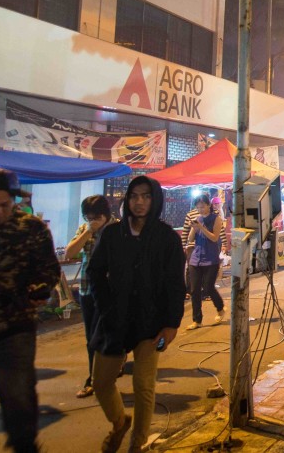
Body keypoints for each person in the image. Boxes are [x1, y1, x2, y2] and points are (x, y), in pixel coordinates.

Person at [87, 176, 184, 453]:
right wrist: (105, 306)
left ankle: (138, 443)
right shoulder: (112, 234)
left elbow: (176, 284)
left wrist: (171, 324)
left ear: (155, 200)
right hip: (113, 320)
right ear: (127, 200)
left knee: (144, 385)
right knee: (101, 381)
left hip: (151, 323)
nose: (139, 202)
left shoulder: (167, 238)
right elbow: (95, 272)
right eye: (134, 196)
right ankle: (119, 422)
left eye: (146, 196)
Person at [0, 169, 61, 453]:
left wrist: (39, 291)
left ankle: (24, 445)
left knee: (17, 394)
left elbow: (49, 270)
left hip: (15, 327)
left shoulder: (31, 229)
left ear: (13, 201)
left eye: (3, 205)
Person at [66, 195, 117, 399]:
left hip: (112, 293)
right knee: (91, 338)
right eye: (88, 217)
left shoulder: (119, 230)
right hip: (88, 291)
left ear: (105, 215)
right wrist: (88, 232)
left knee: (108, 336)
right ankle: (94, 378)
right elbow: (70, 253)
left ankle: (104, 376)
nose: (92, 220)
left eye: (96, 217)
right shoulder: (85, 229)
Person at [185, 194, 225, 330]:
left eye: (202, 206)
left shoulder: (217, 219)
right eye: (198, 207)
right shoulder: (198, 218)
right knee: (194, 290)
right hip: (196, 258)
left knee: (208, 287)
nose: (200, 209)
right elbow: (190, 239)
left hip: (211, 258)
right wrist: (194, 228)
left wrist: (201, 228)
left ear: (209, 205)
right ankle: (197, 320)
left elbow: (214, 238)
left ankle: (220, 308)